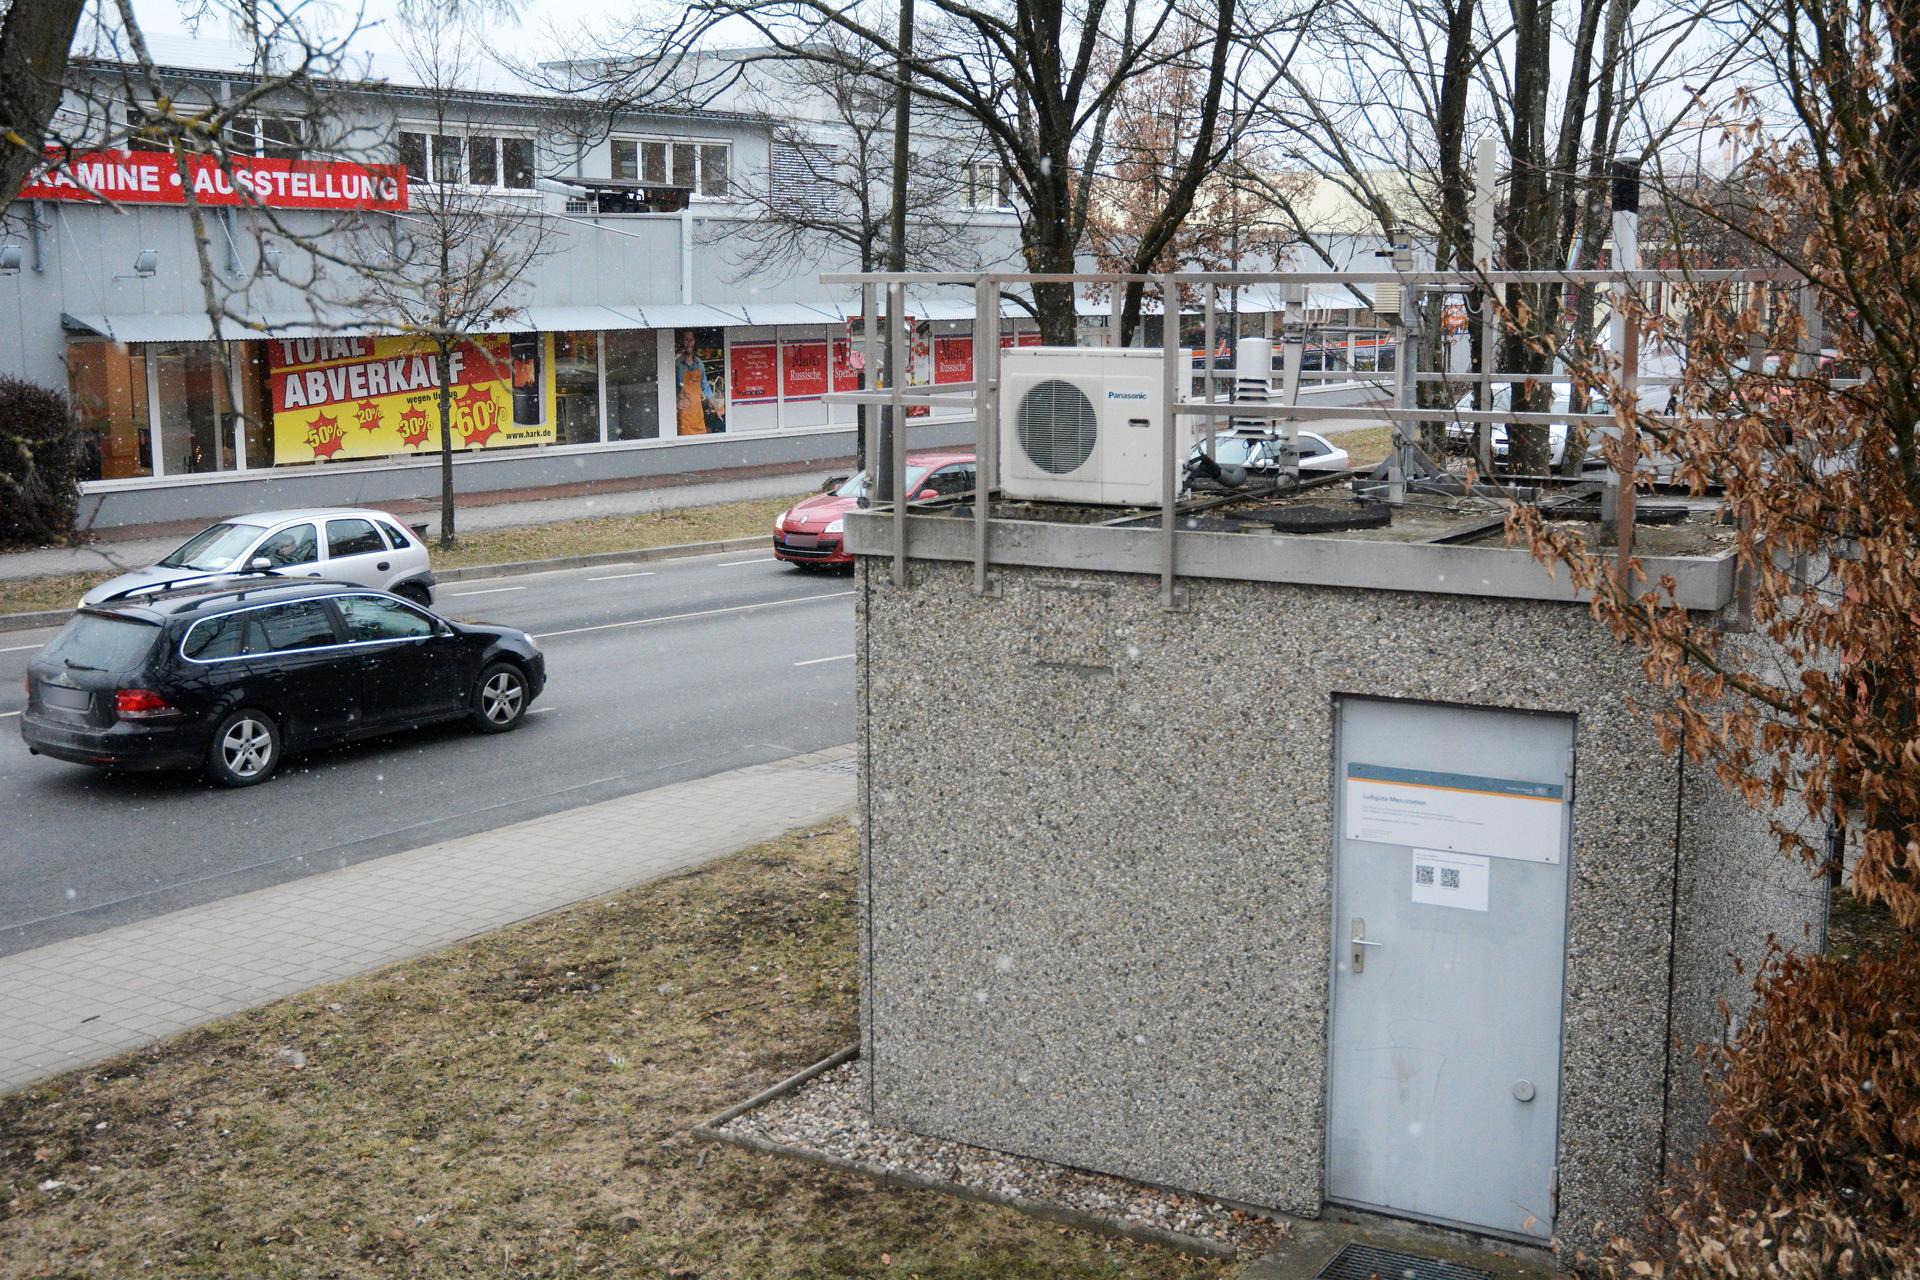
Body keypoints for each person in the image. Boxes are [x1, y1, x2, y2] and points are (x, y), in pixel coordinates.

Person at [675, 330, 722, 435]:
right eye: (686, 340)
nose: (689, 343)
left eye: (691, 340)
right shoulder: (677, 364)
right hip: (685, 414)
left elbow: (706, 387)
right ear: (682, 342)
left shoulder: (699, 363)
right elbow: (670, 389)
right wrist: (676, 403)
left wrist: (716, 408)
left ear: (694, 342)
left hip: (697, 412)